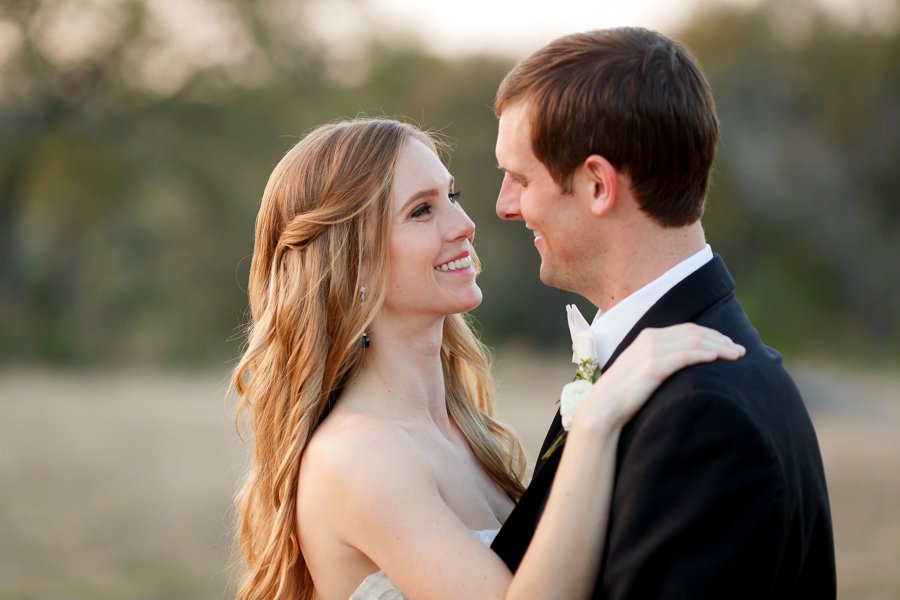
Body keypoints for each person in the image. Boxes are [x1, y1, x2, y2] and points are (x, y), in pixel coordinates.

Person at [231, 117, 745, 599]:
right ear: (352, 261)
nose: (464, 223)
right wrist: (596, 421)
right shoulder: (358, 453)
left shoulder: (463, 431)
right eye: (422, 210)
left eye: (451, 196)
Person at [490, 27, 836, 598]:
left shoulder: (701, 418)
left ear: (598, 184)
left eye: (521, 179)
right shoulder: (660, 370)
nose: (505, 205)